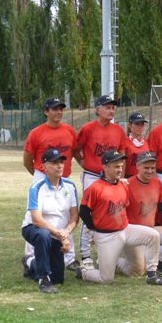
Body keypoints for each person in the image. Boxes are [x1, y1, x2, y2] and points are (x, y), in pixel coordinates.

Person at [79, 150, 162, 285]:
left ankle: (152, 275)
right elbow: (84, 211)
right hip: (107, 235)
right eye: (116, 166)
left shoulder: (122, 185)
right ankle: (84, 272)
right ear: (105, 167)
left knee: (153, 236)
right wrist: (94, 229)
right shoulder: (95, 188)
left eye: (121, 166)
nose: (120, 169)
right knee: (106, 279)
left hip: (125, 229)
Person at [22, 97, 79, 271]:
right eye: (54, 109)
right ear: (46, 112)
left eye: (61, 109)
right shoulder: (37, 133)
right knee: (36, 217)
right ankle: (31, 255)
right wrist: (41, 177)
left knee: (66, 216)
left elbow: (75, 152)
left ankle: (69, 258)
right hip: (41, 175)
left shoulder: (69, 130)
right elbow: (27, 160)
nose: (58, 112)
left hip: (64, 177)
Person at [75, 94, 127, 275]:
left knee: (110, 212)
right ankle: (86, 255)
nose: (111, 110)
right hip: (92, 174)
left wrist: (122, 176)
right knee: (89, 212)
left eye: (113, 107)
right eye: (107, 107)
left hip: (112, 176)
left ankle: (105, 251)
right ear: (97, 109)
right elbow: (76, 147)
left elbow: (121, 153)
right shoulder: (88, 128)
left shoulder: (118, 130)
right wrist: (82, 162)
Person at [21, 148, 79, 293]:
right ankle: (44, 280)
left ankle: (30, 262)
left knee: (58, 277)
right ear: (44, 166)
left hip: (58, 232)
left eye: (61, 162)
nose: (59, 166)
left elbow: (74, 217)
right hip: (34, 228)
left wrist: (66, 232)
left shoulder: (70, 186)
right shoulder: (37, 188)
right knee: (43, 236)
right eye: (54, 163)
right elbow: (37, 220)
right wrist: (60, 234)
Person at [122, 151, 162, 277]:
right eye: (146, 168)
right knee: (138, 272)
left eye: (152, 168)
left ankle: (160, 267)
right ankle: (117, 259)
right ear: (138, 166)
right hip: (134, 234)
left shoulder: (157, 183)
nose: (150, 171)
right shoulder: (127, 184)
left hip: (151, 231)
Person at [124, 111, 150, 178]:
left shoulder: (146, 143)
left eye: (142, 124)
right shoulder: (125, 142)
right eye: (137, 124)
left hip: (144, 178)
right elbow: (122, 164)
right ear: (130, 125)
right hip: (129, 178)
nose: (140, 127)